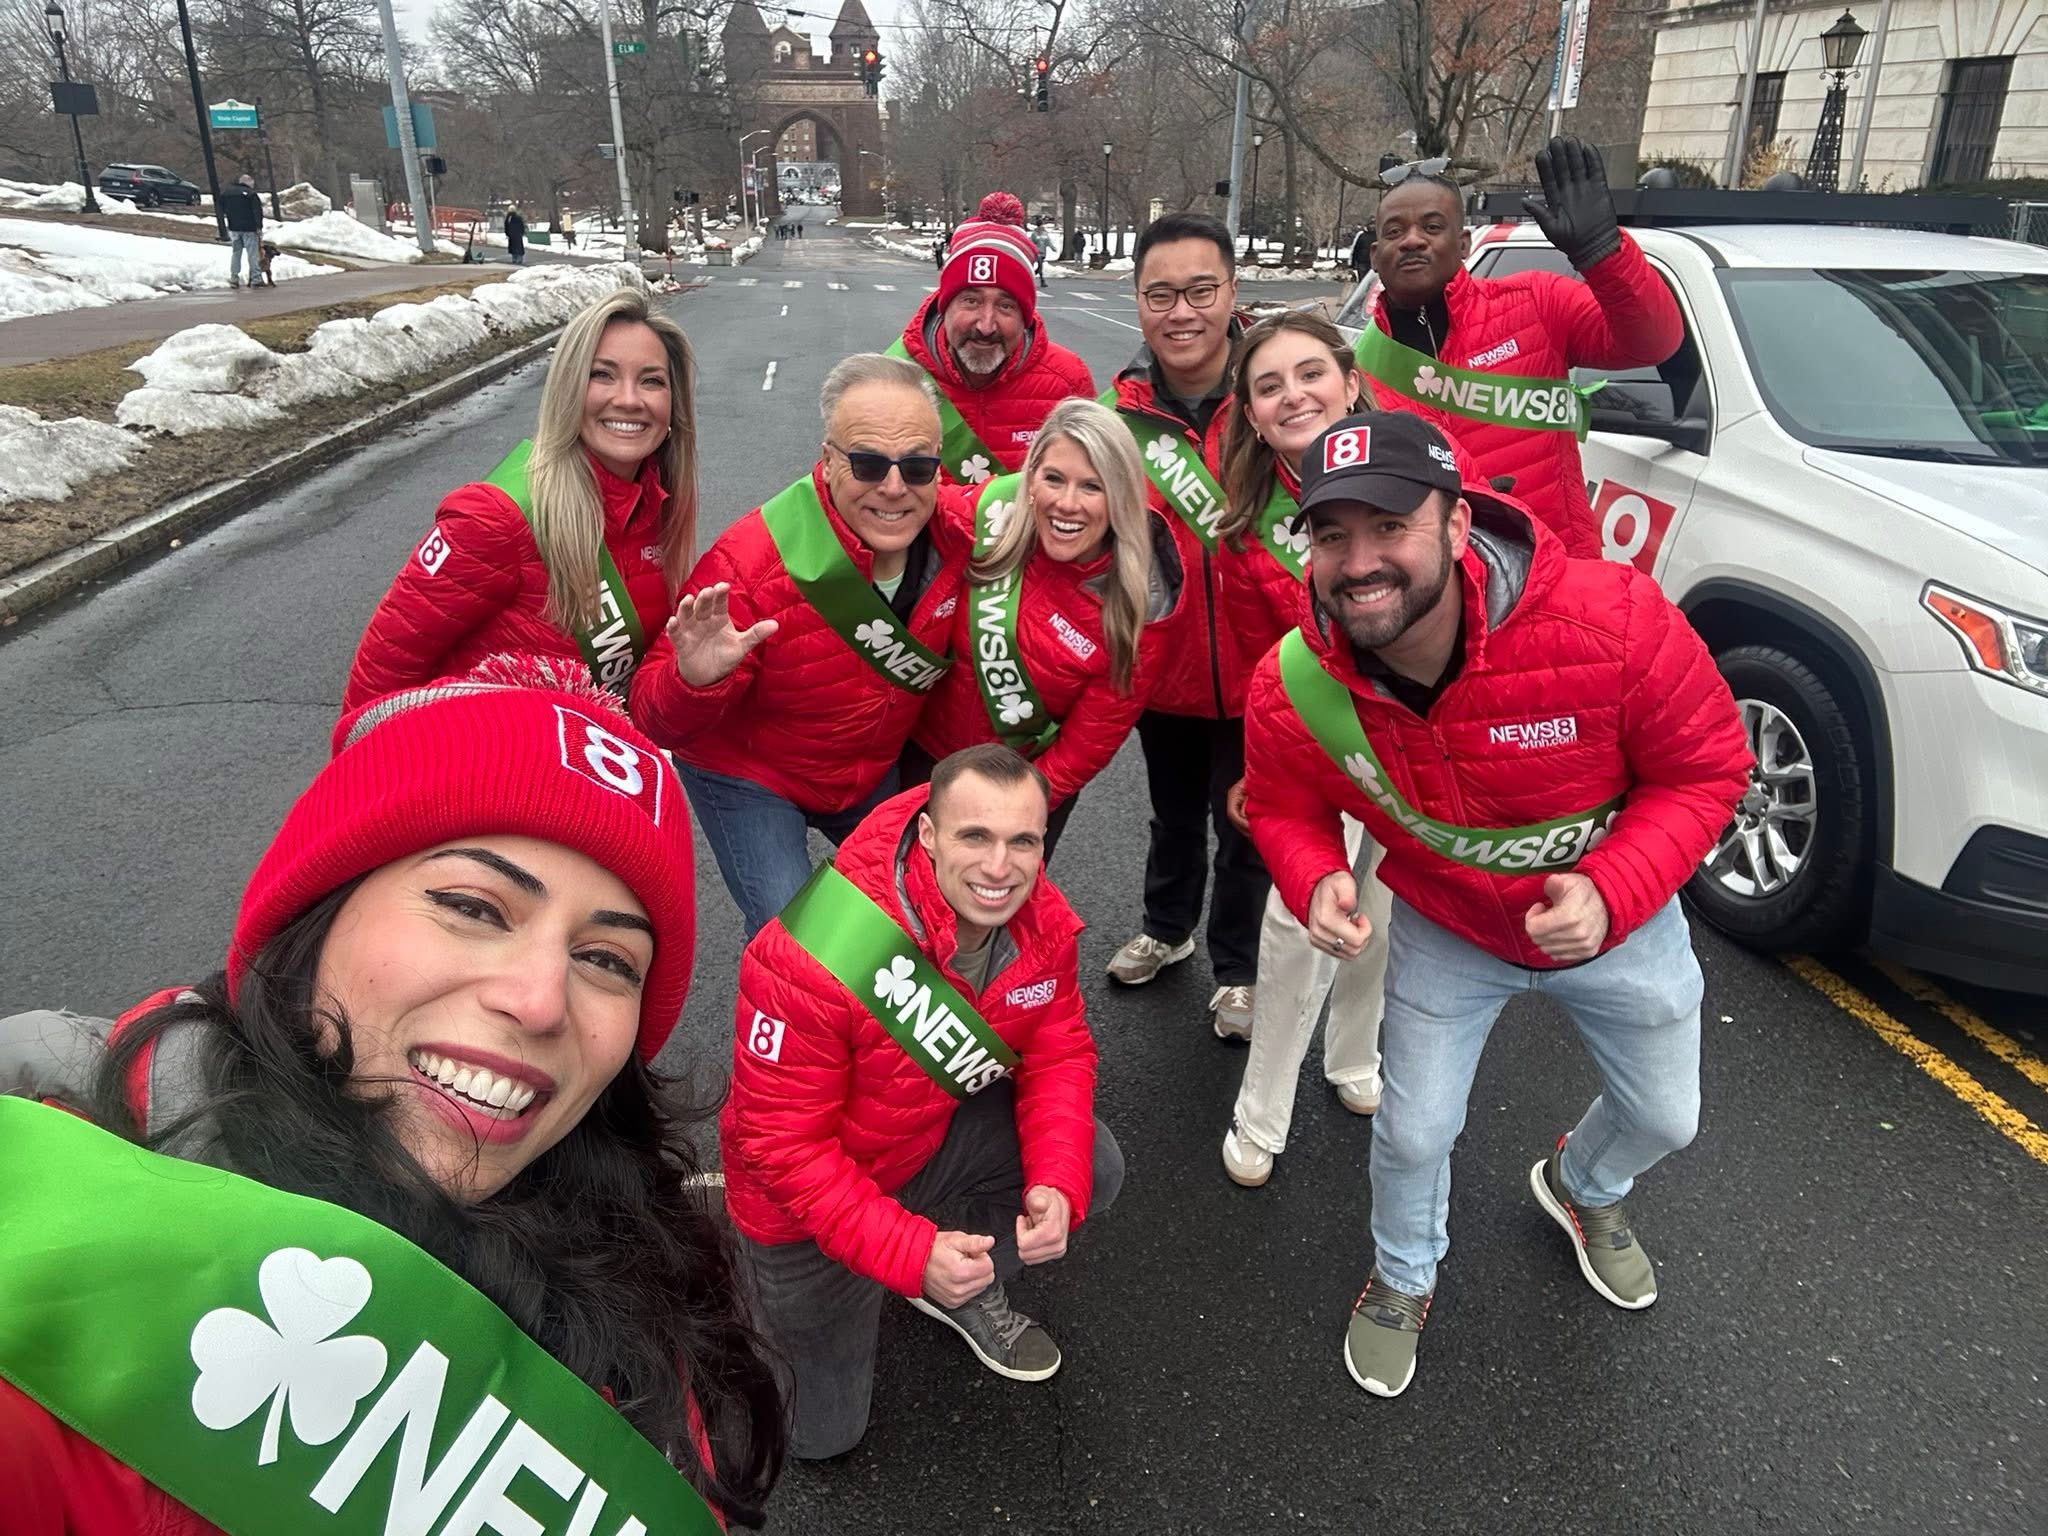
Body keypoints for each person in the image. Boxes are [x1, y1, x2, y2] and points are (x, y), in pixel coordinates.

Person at [0, 657, 786, 1531]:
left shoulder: (628, 1238)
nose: (540, 1001)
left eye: (606, 959)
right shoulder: (37, 1276)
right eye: (474, 907)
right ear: (317, 914)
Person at [1241, 411, 1750, 1399]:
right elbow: (1280, 804)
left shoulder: (1613, 618)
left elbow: (1706, 769)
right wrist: (1313, 877)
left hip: (1618, 924)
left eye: (1390, 526)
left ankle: (1581, 1185)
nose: (1359, 562)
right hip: (1450, 929)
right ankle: (1403, 1274)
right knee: (1413, 1133)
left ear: (1457, 522)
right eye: (1332, 535)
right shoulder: (1291, 683)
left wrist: (1612, 889)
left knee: (1667, 1118)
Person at [722, 745, 1123, 1459]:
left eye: (1022, 842)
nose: (999, 867)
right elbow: (780, 1146)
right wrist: (907, 1250)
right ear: (930, 835)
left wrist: (1057, 1182)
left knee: (1094, 1164)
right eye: (975, 836)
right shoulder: (810, 953)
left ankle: (954, 1279)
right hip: (801, 1209)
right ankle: (744, 1267)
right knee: (820, 1439)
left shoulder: (1041, 925)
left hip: (918, 1143)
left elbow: (1059, 1053)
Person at [630, 353, 970, 937]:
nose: (894, 488)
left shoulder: (959, 534)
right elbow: (651, 717)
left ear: (939, 467)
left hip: (862, 769)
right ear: (829, 461)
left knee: (929, 908)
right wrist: (695, 680)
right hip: (750, 774)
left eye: (917, 467)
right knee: (792, 935)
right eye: (867, 464)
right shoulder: (750, 563)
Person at [1212, 313, 1391, 1187]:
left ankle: (1355, 1053)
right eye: (1269, 385)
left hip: (1414, 733)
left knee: (1388, 907)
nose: (1294, 396)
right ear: (1249, 414)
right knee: (1300, 922)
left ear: (1350, 383)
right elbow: (1260, 660)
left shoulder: (1410, 473)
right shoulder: (1245, 522)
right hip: (1315, 743)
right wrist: (1258, 765)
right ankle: (1261, 1111)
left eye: (1311, 373)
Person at [344, 287, 695, 711]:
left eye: (652, 381)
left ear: (673, 406)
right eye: (602, 375)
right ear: (567, 390)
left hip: (588, 750)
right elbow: (376, 686)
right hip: (480, 750)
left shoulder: (657, 509)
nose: (628, 400)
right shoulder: (493, 518)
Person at [1100, 210, 1269, 1043]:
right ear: (1138, 301)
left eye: (1201, 291)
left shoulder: (1277, 396)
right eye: (1160, 294)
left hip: (1265, 669)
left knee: (1248, 827)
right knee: (1172, 814)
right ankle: (1167, 929)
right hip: (1164, 667)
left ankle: (1240, 971)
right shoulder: (1114, 417)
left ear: (1232, 293)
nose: (1181, 313)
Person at [1356, 138, 1681, 557]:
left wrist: (1603, 254)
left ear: (1464, 243)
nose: (1413, 240)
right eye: (1395, 231)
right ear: (1376, 255)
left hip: (1556, 569)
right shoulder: (1354, 372)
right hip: (1436, 585)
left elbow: (1653, 343)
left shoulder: (1537, 303)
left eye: (1433, 227)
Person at [904, 398, 1180, 857]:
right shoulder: (991, 517)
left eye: (1092, 486)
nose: (1067, 504)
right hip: (923, 757)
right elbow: (904, 503)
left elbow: (1086, 746)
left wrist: (1015, 810)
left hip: (1023, 788)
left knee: (986, 894)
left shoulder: (1139, 605)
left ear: (1121, 497)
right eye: (1053, 478)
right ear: (1030, 479)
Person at [891, 192, 1095, 487]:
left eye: (1006, 306)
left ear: (1025, 316)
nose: (986, 326)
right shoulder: (892, 379)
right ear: (944, 306)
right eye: (971, 301)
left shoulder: (1069, 383)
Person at [221, 172, 264, 289]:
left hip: (234, 227)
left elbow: (221, 207)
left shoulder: (227, 193)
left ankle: (234, 278)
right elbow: (257, 212)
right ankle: (256, 278)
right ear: (249, 183)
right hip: (249, 228)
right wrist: (259, 227)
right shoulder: (251, 194)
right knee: (252, 254)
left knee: (236, 253)